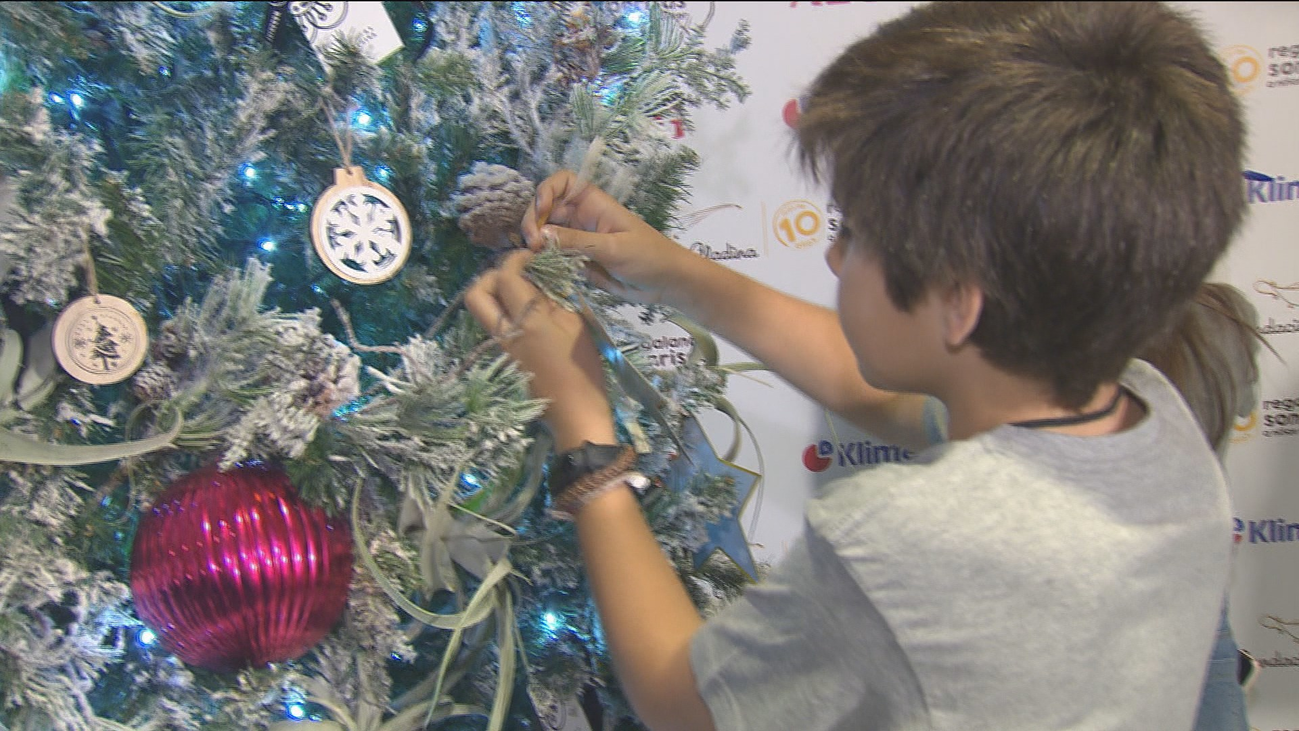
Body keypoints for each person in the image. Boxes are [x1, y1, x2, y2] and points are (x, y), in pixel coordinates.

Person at [464, 2, 1247, 729]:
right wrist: (668, 268)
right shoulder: (1153, 424)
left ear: (957, 299)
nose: (833, 253)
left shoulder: (904, 542)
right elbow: (858, 380)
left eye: (855, 231)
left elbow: (685, 700)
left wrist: (586, 439)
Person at [1139, 282, 1266, 731]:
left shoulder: (1098, 322)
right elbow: (1247, 401)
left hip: (1164, 585)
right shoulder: (1226, 314)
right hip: (1195, 586)